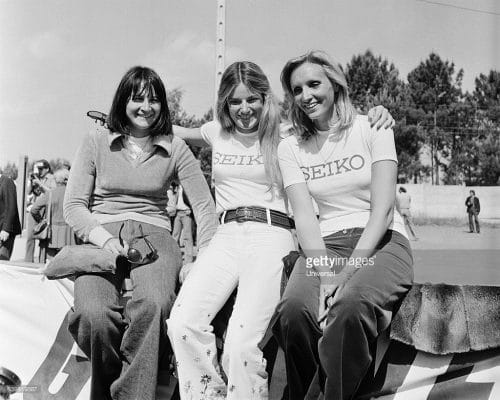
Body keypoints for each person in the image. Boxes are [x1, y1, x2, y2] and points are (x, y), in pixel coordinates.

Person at [166, 60, 394, 399]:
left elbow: (335, 124)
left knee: (242, 345)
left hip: (272, 234)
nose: (244, 109)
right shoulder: (216, 131)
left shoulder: (288, 133)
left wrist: (378, 112)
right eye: (234, 101)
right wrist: (122, 123)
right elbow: (169, 130)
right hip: (226, 236)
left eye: (252, 99)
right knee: (181, 324)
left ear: (265, 98)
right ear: (224, 103)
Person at [64, 66, 218, 400]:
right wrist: (105, 240)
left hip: (156, 234)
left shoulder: (175, 147)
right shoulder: (95, 142)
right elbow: (74, 205)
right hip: (102, 234)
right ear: (123, 101)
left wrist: (202, 256)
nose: (145, 107)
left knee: (156, 304)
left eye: (154, 99)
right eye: (137, 98)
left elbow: (205, 206)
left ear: (163, 105)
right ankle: (115, 385)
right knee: (93, 314)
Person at [274, 50, 414, 400]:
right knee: (294, 311)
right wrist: (324, 273)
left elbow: (381, 213)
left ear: (335, 84)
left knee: (349, 308)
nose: (305, 95)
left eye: (314, 84)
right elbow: (304, 216)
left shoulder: (374, 126)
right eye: (296, 89)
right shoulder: (290, 146)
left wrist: (347, 273)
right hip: (327, 245)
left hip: (382, 243)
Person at [30, 169, 76, 261]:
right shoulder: (73, 194)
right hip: (69, 234)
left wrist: (41, 220)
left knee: (49, 264)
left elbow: (34, 209)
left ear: (55, 180)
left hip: (51, 234)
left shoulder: (50, 193)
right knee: (67, 265)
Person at [24, 159, 56, 262]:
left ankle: (42, 261)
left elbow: (52, 192)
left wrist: (40, 184)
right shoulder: (37, 178)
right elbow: (29, 192)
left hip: (45, 211)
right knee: (30, 237)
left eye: (41, 168)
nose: (39, 170)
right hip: (35, 209)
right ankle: (28, 261)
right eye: (37, 168)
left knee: (44, 238)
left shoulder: (52, 178)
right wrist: (31, 182)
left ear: (47, 169)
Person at [171, 183, 194, 263]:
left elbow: (193, 199)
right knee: (175, 236)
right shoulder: (176, 187)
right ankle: (174, 257)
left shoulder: (188, 186)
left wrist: (191, 210)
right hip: (178, 213)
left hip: (186, 213)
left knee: (187, 237)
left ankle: (189, 259)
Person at [0, 173, 21, 261]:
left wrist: (6, 229)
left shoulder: (6, 182)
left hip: (5, 231)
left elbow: (11, 207)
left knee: (2, 261)